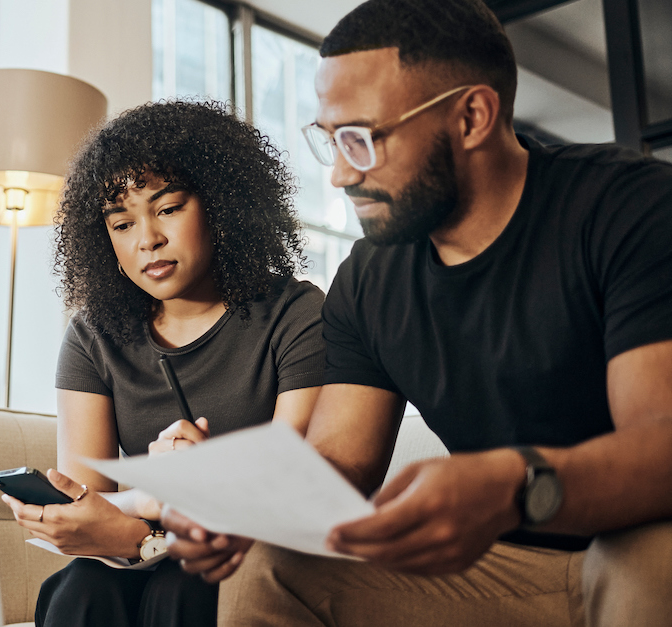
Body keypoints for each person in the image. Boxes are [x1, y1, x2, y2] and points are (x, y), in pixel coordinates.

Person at [162, 1, 672, 626]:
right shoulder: (369, 278)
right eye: (329, 141)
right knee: (272, 562)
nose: (341, 175)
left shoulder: (628, 208)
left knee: (656, 557)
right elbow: (341, 465)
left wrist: (513, 487)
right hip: (503, 571)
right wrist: (247, 508)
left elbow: (662, 443)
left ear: (472, 117)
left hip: (635, 540)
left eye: (361, 139)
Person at [0, 100, 326, 627]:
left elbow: (292, 486)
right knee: (82, 586)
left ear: (222, 203)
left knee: (186, 586)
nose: (147, 239)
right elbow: (91, 507)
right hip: (135, 557)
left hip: (259, 549)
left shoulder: (297, 315)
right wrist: (144, 514)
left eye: (168, 209)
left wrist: (147, 508)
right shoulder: (93, 337)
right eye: (121, 223)